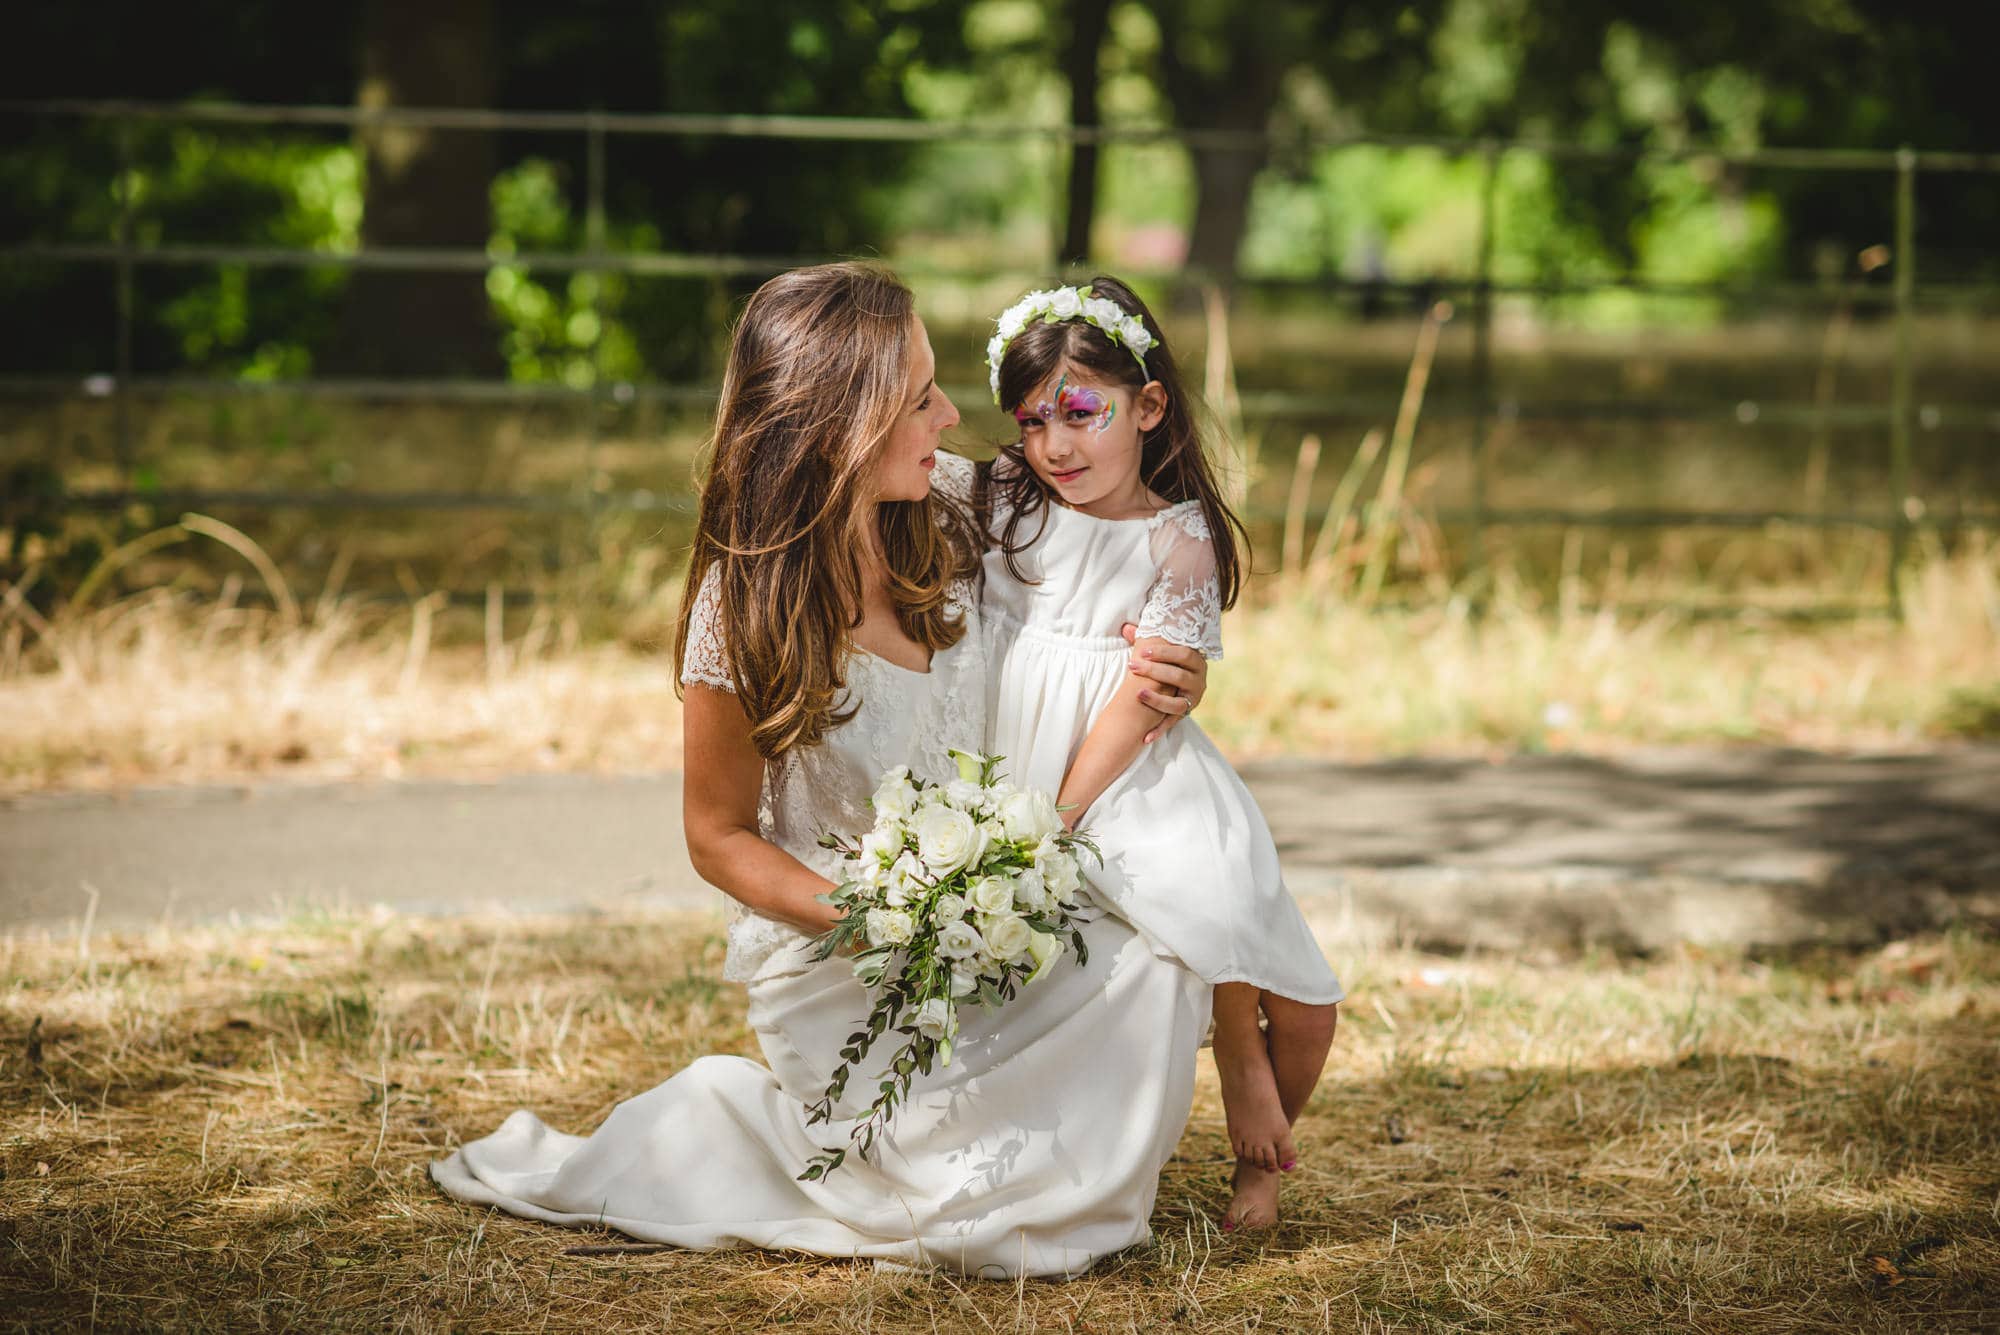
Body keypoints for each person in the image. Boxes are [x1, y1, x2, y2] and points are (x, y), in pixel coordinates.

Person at [432, 262, 1217, 1278]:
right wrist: (878, 914)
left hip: (988, 917)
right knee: (974, 1218)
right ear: (840, 422)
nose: (947, 416)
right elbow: (716, 840)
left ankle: (1045, 1147)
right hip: (843, 955)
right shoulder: (741, 606)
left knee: (1156, 962)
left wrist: (1172, 665)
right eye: (919, 398)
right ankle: (731, 1128)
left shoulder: (954, 506)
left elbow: (1124, 561)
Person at [977, 277, 1343, 1232]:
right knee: (1167, 943)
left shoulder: (1178, 540)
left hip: (1129, 776)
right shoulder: (1005, 499)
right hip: (1032, 772)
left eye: (1082, 412)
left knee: (1304, 1009)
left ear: (1147, 407)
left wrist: (1061, 813)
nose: (1056, 444)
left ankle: (1250, 1104)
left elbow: (1145, 700)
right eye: (1032, 420)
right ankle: (1227, 1031)